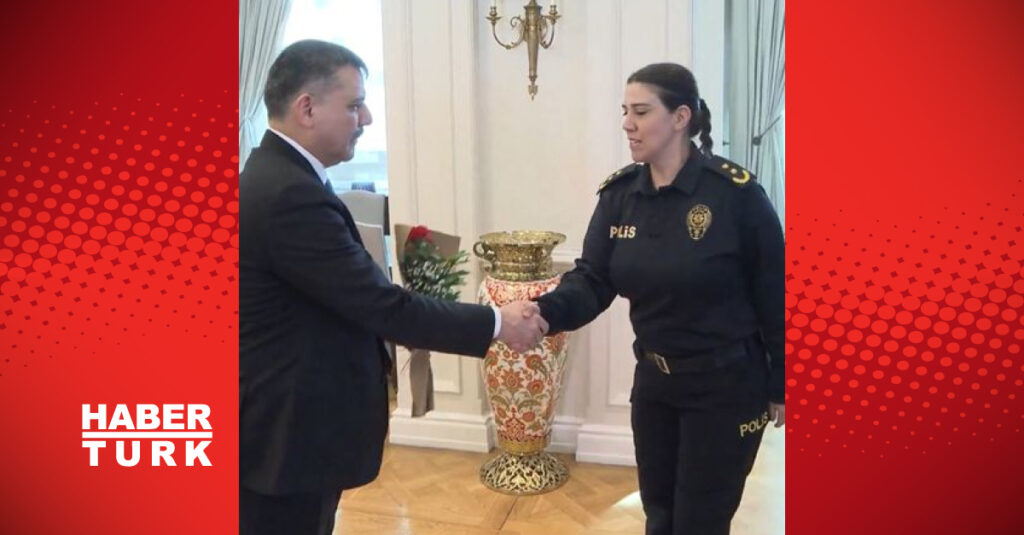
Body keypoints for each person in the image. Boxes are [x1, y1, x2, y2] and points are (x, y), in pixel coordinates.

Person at [239, 40, 547, 535]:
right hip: (287, 436)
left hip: (287, 428)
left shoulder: (280, 177)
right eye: (355, 105)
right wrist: (498, 322)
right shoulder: (288, 194)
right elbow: (380, 306)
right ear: (307, 108)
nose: (366, 118)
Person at [530, 63, 784, 534]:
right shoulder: (621, 195)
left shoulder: (736, 195)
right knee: (660, 514)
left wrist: (782, 384)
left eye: (641, 112)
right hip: (655, 384)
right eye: (625, 111)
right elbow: (592, 280)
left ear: (681, 117)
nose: (627, 123)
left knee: (700, 522)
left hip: (726, 387)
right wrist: (541, 313)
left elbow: (776, 293)